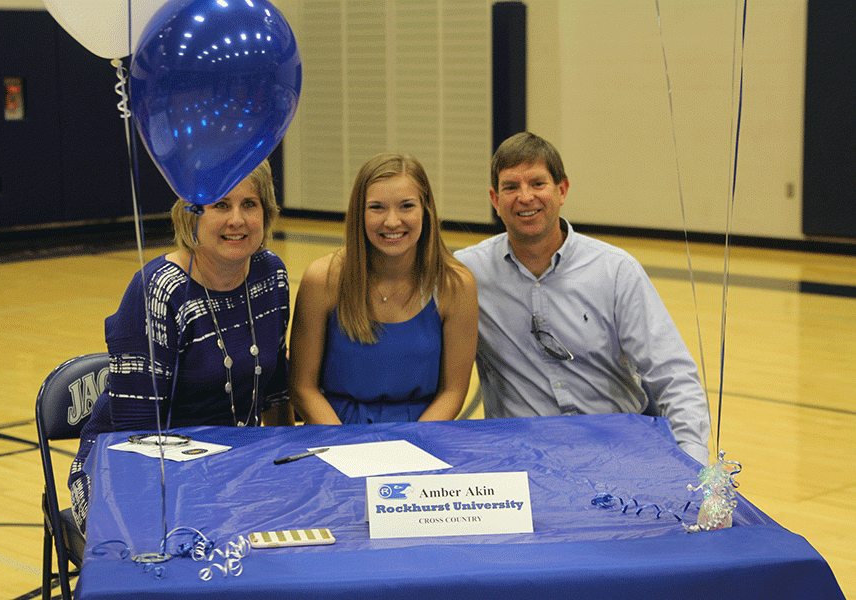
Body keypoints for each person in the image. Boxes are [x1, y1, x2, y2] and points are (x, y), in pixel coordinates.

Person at [453, 132, 710, 465]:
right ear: (494, 199)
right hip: (522, 456)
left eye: (537, 184)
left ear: (562, 190)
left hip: (619, 449)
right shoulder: (466, 275)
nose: (525, 197)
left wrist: (692, 463)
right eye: (511, 187)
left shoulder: (615, 270)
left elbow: (673, 375)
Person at [68, 160, 293, 531]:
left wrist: (284, 467)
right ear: (191, 215)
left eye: (249, 204)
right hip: (130, 474)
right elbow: (134, 434)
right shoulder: (159, 290)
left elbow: (275, 391)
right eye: (220, 205)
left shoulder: (271, 274)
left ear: (266, 213)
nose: (236, 219)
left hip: (236, 467)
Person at [289, 153, 478, 425]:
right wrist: (343, 444)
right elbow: (302, 388)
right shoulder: (323, 280)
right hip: (336, 431)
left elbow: (453, 392)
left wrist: (412, 444)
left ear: (426, 209)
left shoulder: (455, 285)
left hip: (423, 432)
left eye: (406, 206)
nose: (392, 221)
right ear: (359, 213)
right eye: (377, 207)